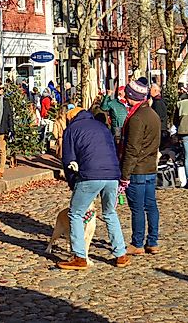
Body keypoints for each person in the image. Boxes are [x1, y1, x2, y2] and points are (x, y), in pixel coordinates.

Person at [57, 106, 130, 270]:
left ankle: (79, 257)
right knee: (110, 213)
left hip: (90, 175)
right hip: (112, 175)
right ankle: (121, 254)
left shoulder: (72, 129)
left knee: (75, 213)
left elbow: (68, 160)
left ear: (70, 118)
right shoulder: (102, 126)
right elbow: (113, 150)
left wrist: (72, 183)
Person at [120, 79, 162, 256]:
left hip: (138, 169)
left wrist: (124, 174)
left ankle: (137, 243)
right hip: (150, 167)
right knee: (150, 205)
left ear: (132, 96)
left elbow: (132, 148)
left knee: (137, 208)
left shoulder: (137, 118)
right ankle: (152, 241)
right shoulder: (152, 114)